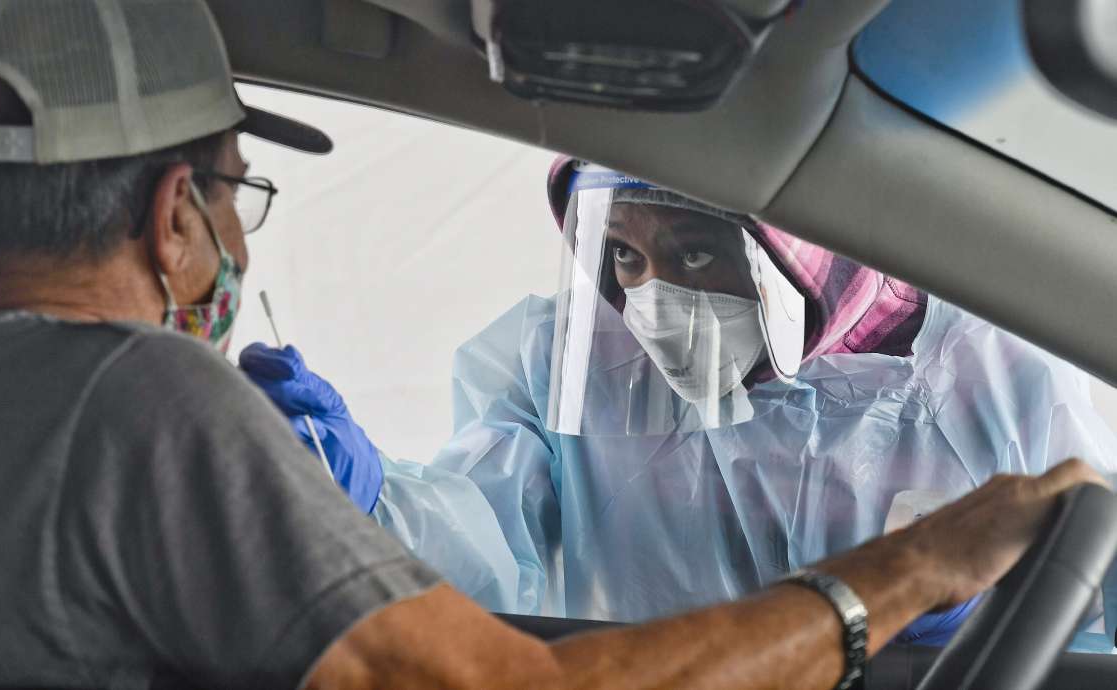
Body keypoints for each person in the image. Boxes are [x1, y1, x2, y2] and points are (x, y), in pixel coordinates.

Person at [0, 2, 1110, 688]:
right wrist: (906, 573)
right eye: (235, 201)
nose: (240, 257)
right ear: (174, 219)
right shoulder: (142, 399)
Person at [243, 158, 1117, 647]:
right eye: (624, 256)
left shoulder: (1001, 370)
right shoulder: (572, 365)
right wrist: (360, 505)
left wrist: (1004, 613)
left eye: (696, 253)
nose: (651, 300)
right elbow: (479, 546)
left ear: (812, 247)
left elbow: (1092, 613)